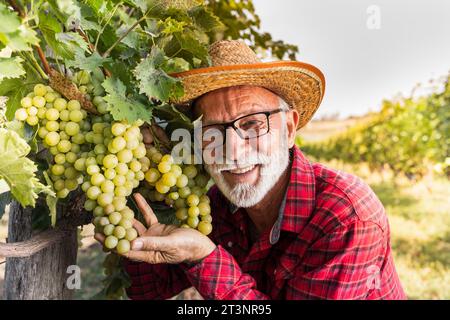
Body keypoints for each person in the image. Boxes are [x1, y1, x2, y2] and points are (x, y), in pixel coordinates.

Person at [95, 40, 406, 300]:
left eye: (252, 124)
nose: (233, 149)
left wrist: (205, 258)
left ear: (288, 127)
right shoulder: (220, 206)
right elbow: (149, 290)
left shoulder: (346, 217)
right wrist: (139, 188)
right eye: (213, 130)